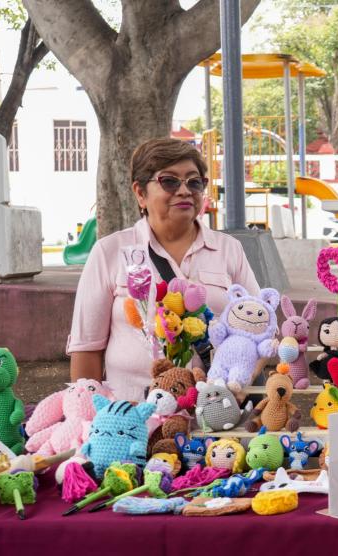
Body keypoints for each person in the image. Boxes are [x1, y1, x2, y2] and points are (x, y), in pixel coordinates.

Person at [68, 138, 261, 402]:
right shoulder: (109, 252)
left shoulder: (230, 250)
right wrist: (91, 419)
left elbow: (259, 330)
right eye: (169, 181)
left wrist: (239, 385)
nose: (184, 191)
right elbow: (86, 350)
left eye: (194, 182)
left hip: (217, 415)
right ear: (140, 193)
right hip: (133, 418)